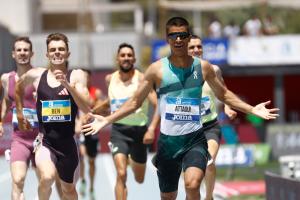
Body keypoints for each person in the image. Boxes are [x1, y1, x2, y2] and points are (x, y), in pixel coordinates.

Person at [82, 17, 279, 200]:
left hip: (195, 139)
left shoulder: (203, 67)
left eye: (183, 35)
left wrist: (252, 109)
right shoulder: (156, 69)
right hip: (168, 143)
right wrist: (107, 119)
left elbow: (224, 94)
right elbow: (134, 102)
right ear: (167, 39)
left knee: (192, 185)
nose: (178, 40)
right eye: (173, 36)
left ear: (187, 37)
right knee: (168, 196)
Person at [15, 33, 90, 200]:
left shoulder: (77, 75)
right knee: (47, 177)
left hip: (68, 144)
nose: (57, 52)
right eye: (53, 50)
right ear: (47, 54)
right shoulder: (36, 75)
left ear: (68, 54)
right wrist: (20, 113)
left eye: (61, 49)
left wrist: (67, 86)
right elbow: (18, 87)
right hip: (45, 141)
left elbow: (86, 106)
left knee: (68, 190)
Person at [91, 42, 160, 200]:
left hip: (139, 133)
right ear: (117, 59)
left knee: (139, 178)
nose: (126, 58)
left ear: (134, 58)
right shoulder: (110, 79)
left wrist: (151, 129)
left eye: (129, 55)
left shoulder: (142, 79)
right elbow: (111, 101)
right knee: (121, 173)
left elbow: (158, 105)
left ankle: (132, 159)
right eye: (123, 55)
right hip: (119, 131)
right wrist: (94, 111)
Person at [188, 34, 237, 200]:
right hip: (188, 129)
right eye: (192, 47)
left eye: (199, 47)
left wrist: (228, 106)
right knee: (191, 174)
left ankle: (209, 196)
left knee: (208, 161)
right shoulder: (179, 73)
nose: (196, 50)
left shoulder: (213, 69)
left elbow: (222, 89)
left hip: (210, 125)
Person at [0, 36, 40, 200]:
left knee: (46, 180)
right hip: (20, 139)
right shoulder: (5, 79)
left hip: (41, 139)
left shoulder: (39, 76)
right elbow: (6, 101)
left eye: (26, 50)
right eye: (19, 50)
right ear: (13, 54)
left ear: (31, 53)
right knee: (17, 181)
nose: (22, 53)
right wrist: (0, 120)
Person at [78, 69, 104, 199]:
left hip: (92, 130)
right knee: (81, 156)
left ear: (89, 78)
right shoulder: (76, 91)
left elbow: (103, 108)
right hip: (81, 130)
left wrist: (95, 107)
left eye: (87, 77)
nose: (85, 79)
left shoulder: (96, 92)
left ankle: (92, 186)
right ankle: (82, 180)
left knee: (92, 161)